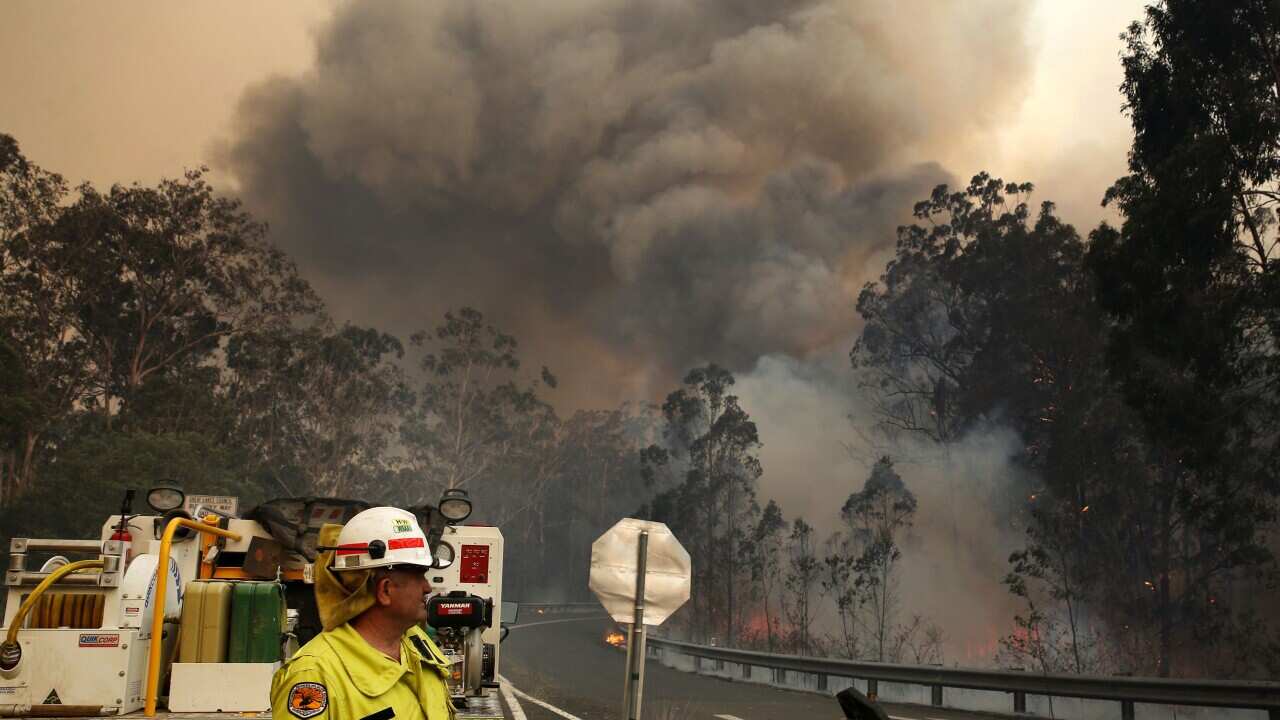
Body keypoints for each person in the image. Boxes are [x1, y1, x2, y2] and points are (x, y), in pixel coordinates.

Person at [271, 507, 455, 720]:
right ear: (385, 590)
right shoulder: (313, 675)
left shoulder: (418, 647)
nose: (427, 587)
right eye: (419, 576)